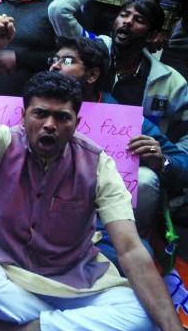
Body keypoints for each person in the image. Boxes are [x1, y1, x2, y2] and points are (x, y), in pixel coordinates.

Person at [0, 16, 181, 330]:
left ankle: (29, 326)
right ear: (23, 116)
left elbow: (129, 248)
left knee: (142, 316)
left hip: (76, 278)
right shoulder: (5, 144)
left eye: (61, 117)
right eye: (40, 114)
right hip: (6, 269)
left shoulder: (97, 162)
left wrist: (173, 327)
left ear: (76, 121)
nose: (50, 124)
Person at [49, 35, 188, 241]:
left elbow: (184, 164)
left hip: (101, 216)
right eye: (53, 60)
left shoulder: (123, 119)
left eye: (67, 61)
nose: (55, 67)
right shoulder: (32, 106)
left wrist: (161, 161)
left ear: (92, 75)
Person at [48, 0, 188, 151]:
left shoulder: (170, 82)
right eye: (124, 15)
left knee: (146, 179)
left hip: (131, 159)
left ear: (152, 35)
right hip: (78, 147)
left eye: (139, 20)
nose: (127, 22)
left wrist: (166, 160)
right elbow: (57, 10)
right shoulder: (92, 50)